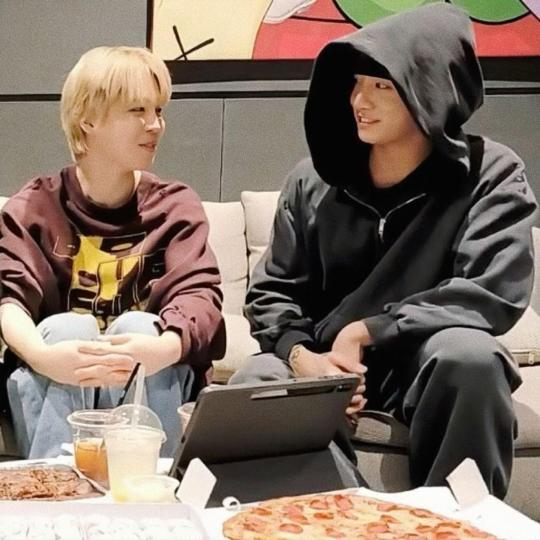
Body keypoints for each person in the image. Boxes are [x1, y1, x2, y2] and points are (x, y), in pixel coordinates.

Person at [230, 3, 538, 498]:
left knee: (471, 358)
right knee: (257, 379)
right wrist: (303, 357)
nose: (359, 100)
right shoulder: (312, 181)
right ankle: (336, 517)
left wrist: (368, 330)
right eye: (356, 83)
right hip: (326, 364)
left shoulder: (491, 175)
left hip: (427, 363)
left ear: (429, 89)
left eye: (381, 86)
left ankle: (456, 523)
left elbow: (491, 292)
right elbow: (273, 293)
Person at [0, 46, 225, 458]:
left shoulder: (175, 206)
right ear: (88, 119)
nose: (155, 125)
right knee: (66, 330)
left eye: (158, 110)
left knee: (141, 326)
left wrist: (160, 350)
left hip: (151, 378)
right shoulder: (34, 207)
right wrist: (45, 357)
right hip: (58, 378)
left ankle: (149, 485)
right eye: (137, 110)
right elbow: (8, 301)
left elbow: (199, 298)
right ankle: (59, 486)